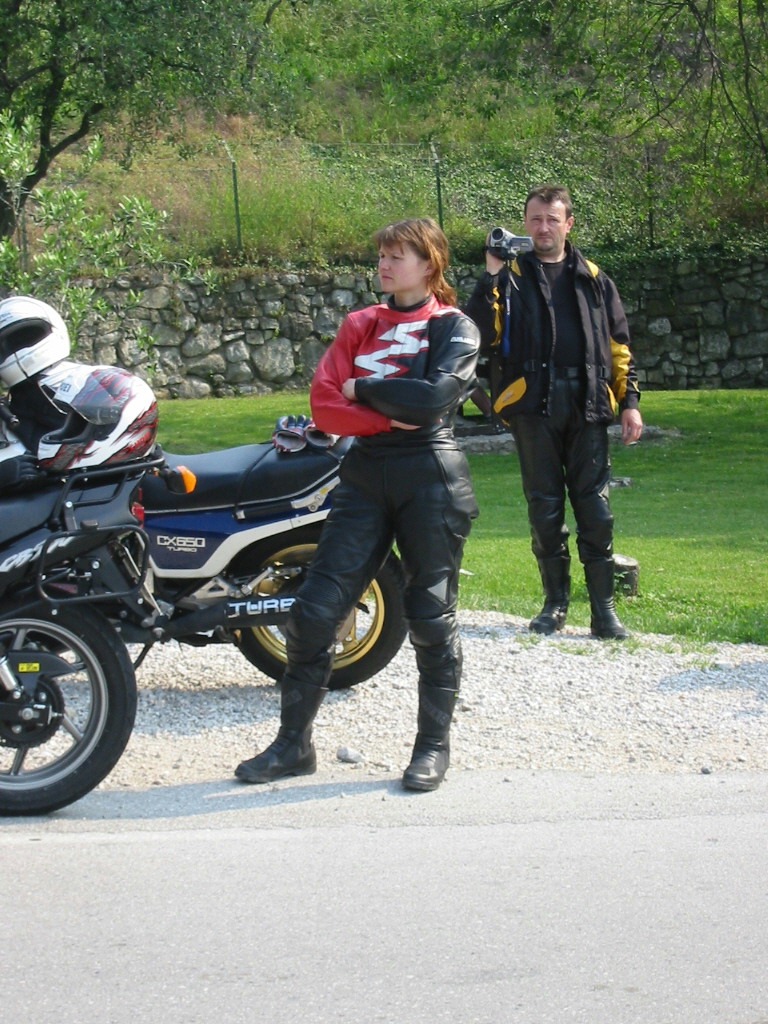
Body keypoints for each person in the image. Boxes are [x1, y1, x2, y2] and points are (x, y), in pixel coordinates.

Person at [235, 217, 481, 792]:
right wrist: (387, 414)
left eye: (397, 256)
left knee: (430, 616)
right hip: (365, 474)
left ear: (430, 263)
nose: (384, 265)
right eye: (382, 256)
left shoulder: (455, 327)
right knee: (314, 611)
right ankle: (293, 746)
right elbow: (325, 408)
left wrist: (363, 389)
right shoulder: (360, 324)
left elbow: (434, 399)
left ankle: (432, 748)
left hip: (430, 476)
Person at [465, 184, 643, 640]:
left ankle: (603, 611)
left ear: (569, 224)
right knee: (544, 509)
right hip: (532, 406)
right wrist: (490, 276)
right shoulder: (509, 276)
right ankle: (555, 604)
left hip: (588, 402)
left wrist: (630, 404)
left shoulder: (595, 278)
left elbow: (619, 347)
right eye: (535, 219)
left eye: (552, 219)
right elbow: (478, 334)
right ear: (525, 224)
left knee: (596, 511)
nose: (543, 228)